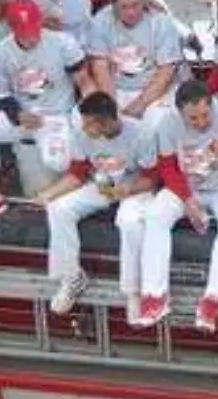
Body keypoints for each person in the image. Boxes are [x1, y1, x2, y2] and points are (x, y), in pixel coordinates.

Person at [144, 81, 218, 331]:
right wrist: (188, 201)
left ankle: (212, 300)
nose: (200, 122)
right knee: (155, 215)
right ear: (179, 112)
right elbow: (167, 167)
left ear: (212, 105)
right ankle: (155, 296)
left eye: (205, 115)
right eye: (193, 118)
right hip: (189, 186)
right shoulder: (167, 124)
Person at [0, 0, 92, 222]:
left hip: (56, 116)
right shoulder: (0, 53)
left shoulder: (62, 43)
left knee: (58, 162)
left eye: (33, 30)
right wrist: (17, 114)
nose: (31, 37)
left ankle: (77, 190)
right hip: (22, 118)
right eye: (24, 32)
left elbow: (83, 82)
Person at [33, 91, 156, 318]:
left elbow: (152, 178)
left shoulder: (141, 133)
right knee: (58, 208)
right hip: (103, 184)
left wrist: (128, 189)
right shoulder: (81, 134)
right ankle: (72, 278)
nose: (85, 128)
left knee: (128, 221)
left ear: (107, 121)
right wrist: (48, 194)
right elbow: (78, 173)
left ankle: (133, 292)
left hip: (135, 185)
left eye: (90, 124)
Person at [87, 0, 183, 135]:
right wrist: (112, 105)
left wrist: (138, 106)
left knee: (155, 126)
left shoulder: (161, 23)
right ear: (113, 5)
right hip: (117, 88)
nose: (131, 12)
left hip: (154, 91)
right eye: (124, 7)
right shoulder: (101, 21)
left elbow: (165, 73)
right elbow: (100, 66)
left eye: (135, 5)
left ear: (144, 1)